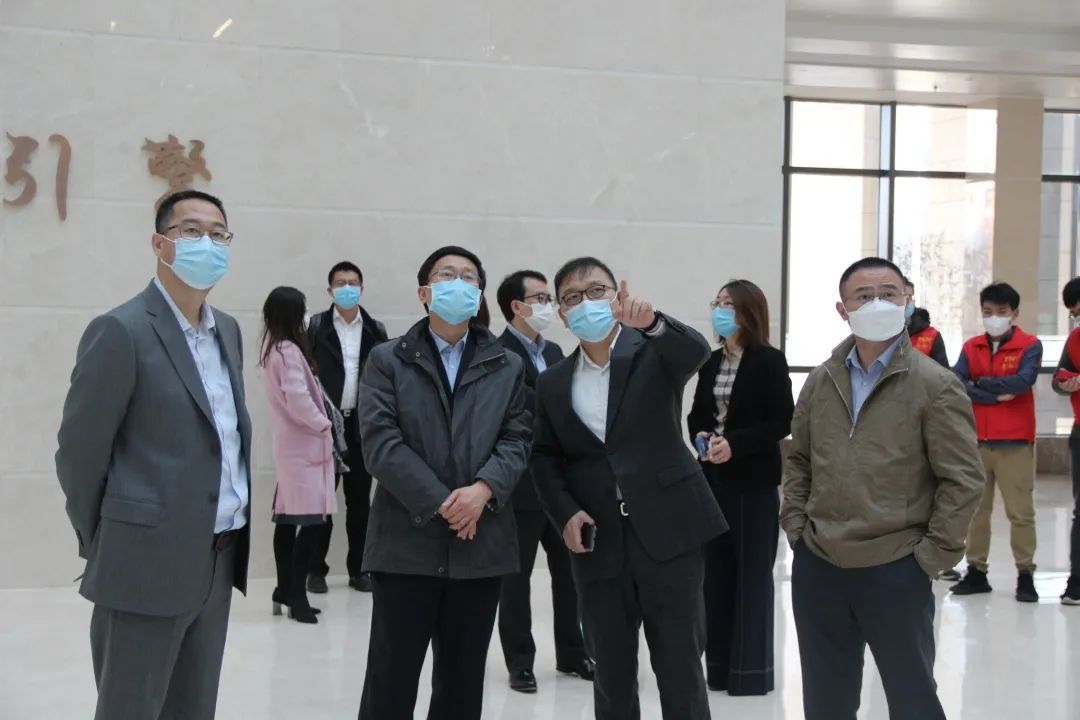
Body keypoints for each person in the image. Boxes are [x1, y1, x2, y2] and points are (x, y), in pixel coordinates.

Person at [55, 190, 252, 719]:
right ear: (160, 244)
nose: (207, 243)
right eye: (191, 231)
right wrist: (112, 538)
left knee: (194, 708)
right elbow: (79, 454)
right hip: (143, 564)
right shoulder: (121, 330)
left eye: (218, 234)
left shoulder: (228, 330)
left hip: (218, 558)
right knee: (131, 708)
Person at [782, 257, 984, 720]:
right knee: (826, 701)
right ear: (843, 309)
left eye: (889, 293)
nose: (878, 303)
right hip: (820, 564)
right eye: (863, 295)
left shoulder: (936, 385)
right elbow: (798, 459)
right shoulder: (822, 380)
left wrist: (930, 558)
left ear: (907, 301)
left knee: (912, 698)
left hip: (896, 566)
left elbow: (962, 479)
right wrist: (797, 530)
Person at [532, 257, 727, 720]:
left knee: (680, 669)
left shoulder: (652, 351)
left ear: (616, 296)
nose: (586, 302)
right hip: (598, 542)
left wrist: (653, 322)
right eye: (572, 297)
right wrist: (564, 512)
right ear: (562, 315)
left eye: (596, 291)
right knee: (612, 674)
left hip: (669, 533)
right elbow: (543, 455)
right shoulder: (553, 382)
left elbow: (696, 351)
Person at [355, 246, 532, 720]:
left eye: (469, 277)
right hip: (404, 544)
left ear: (479, 295)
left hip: (480, 547)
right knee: (390, 682)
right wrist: (444, 503)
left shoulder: (507, 364)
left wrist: (483, 490)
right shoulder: (387, 359)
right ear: (424, 292)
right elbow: (381, 443)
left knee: (461, 686)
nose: (458, 283)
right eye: (446, 274)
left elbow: (517, 438)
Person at [686, 279, 793, 696]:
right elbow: (697, 414)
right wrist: (701, 437)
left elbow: (781, 420)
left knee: (752, 576)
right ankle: (717, 669)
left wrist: (735, 444)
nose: (720, 309)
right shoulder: (711, 361)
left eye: (728, 303)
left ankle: (750, 674)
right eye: (717, 302)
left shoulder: (769, 361)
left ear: (749, 310)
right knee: (715, 576)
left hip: (753, 482)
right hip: (712, 480)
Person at [494, 270, 592, 694]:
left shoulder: (553, 351)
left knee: (570, 574)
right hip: (517, 485)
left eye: (549, 298)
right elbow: (517, 413)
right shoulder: (497, 354)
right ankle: (520, 662)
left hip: (558, 483)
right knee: (514, 581)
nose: (548, 305)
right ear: (516, 306)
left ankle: (573, 652)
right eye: (540, 298)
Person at [951, 282, 1043, 603]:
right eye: (988, 312)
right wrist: (992, 394)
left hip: (1014, 442)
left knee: (1021, 513)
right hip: (976, 440)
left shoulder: (1029, 345)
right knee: (976, 511)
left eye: (1001, 312)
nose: (994, 318)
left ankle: (1025, 574)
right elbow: (958, 381)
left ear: (1014, 313)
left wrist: (980, 383)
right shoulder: (972, 346)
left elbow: (1022, 381)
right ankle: (976, 571)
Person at [306, 261, 388, 594]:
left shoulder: (375, 329)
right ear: (330, 290)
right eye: (340, 283)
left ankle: (359, 569)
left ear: (362, 288)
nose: (347, 288)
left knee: (360, 503)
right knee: (323, 502)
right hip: (326, 425)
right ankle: (315, 570)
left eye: (353, 282)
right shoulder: (315, 326)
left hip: (361, 426)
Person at [260, 286, 339, 624]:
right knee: (311, 523)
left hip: (290, 450)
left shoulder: (272, 349)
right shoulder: (289, 351)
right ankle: (297, 594)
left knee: (288, 518)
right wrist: (324, 425)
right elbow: (298, 399)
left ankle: (284, 589)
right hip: (305, 449)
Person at [1053, 276, 1080, 605]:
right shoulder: (1075, 339)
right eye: (1074, 313)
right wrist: (1065, 383)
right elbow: (1060, 375)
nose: (1077, 318)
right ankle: (1077, 582)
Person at [904, 278, 949, 367]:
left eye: (910, 297)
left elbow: (943, 372)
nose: (908, 302)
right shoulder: (881, 332)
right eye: (904, 296)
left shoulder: (932, 335)